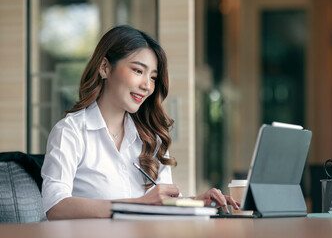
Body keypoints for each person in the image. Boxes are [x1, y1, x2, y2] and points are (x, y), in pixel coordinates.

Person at [41, 25, 240, 220]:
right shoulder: (71, 131)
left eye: (153, 77)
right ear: (104, 67)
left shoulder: (151, 138)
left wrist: (197, 202)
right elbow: (55, 206)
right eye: (138, 71)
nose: (147, 86)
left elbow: (160, 206)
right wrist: (139, 204)